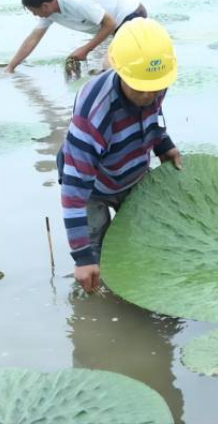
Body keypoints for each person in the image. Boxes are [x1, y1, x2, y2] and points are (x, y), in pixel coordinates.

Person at [57, 18, 182, 292]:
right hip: (92, 188)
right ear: (120, 70)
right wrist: (82, 258)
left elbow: (153, 115)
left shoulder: (153, 82)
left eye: (156, 86)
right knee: (96, 253)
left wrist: (163, 144)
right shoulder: (94, 113)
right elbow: (73, 193)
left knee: (140, 241)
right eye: (141, 87)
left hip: (132, 174)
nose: (150, 94)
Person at [5, 0, 147, 73]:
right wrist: (10, 67)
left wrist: (84, 50)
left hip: (131, 14)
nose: (35, 15)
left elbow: (109, 24)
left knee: (109, 63)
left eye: (34, 11)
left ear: (45, 6)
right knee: (113, 63)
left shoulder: (76, 1)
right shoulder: (49, 12)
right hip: (117, 25)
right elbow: (33, 39)